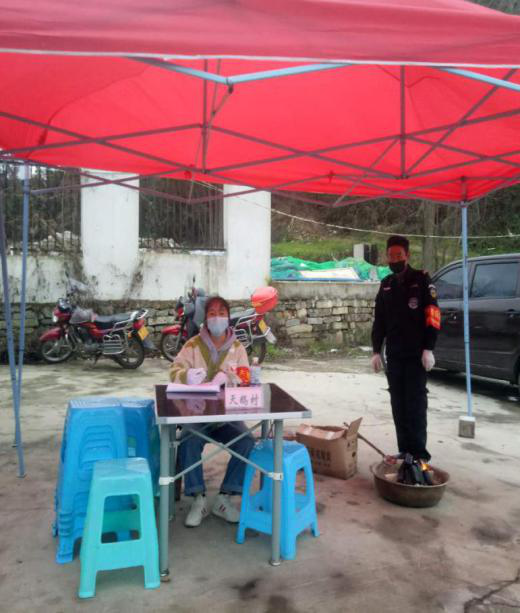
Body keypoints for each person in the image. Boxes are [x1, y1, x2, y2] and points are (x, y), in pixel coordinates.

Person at [170, 295, 255, 527]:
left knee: (246, 441)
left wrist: (231, 378)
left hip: (227, 416)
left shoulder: (238, 348)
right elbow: (174, 371)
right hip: (197, 414)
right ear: (205, 319)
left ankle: (224, 497)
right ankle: (199, 498)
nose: (217, 318)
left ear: (228, 317)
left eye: (221, 313)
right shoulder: (192, 345)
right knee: (187, 440)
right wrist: (187, 376)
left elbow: (245, 378)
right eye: (212, 313)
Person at [371, 235, 441, 462]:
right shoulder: (386, 284)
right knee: (398, 404)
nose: (394, 260)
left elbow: (433, 315)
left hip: (416, 355)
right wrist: (375, 350)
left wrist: (429, 348)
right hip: (395, 355)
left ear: (407, 255)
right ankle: (404, 451)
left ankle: (419, 454)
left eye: (398, 255)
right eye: (391, 256)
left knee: (415, 404)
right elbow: (379, 320)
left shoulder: (421, 280)